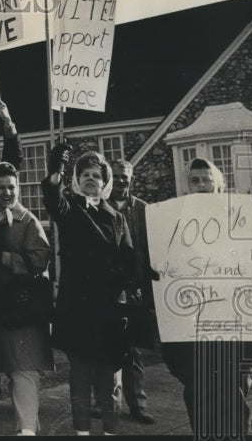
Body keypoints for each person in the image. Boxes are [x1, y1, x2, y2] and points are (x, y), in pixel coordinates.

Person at [160, 158, 252, 437]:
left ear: (219, 186)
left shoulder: (239, 219)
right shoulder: (172, 224)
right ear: (187, 188)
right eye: (195, 180)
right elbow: (164, 266)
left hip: (238, 326)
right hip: (193, 327)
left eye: (207, 179)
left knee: (232, 393)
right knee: (198, 392)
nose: (201, 185)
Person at [41, 145, 136, 436]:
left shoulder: (116, 217)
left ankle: (110, 432)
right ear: (77, 179)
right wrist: (56, 169)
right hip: (78, 309)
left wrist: (122, 280)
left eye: (97, 174)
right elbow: (53, 198)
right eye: (85, 174)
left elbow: (129, 258)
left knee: (110, 380)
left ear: (105, 181)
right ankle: (82, 433)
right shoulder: (69, 209)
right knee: (80, 379)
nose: (91, 179)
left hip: (108, 308)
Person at [0, 161, 53, 436]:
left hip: (22, 308)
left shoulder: (28, 220)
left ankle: (27, 429)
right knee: (11, 370)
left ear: (19, 188)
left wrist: (7, 258)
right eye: (1, 187)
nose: (6, 192)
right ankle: (29, 427)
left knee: (24, 370)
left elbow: (40, 259)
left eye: (11, 187)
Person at [107, 159, 156, 425]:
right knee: (105, 347)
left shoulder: (143, 210)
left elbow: (152, 251)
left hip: (135, 290)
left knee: (133, 351)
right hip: (106, 291)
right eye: (115, 176)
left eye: (124, 176)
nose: (121, 181)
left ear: (131, 178)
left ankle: (138, 403)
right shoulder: (98, 208)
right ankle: (104, 401)